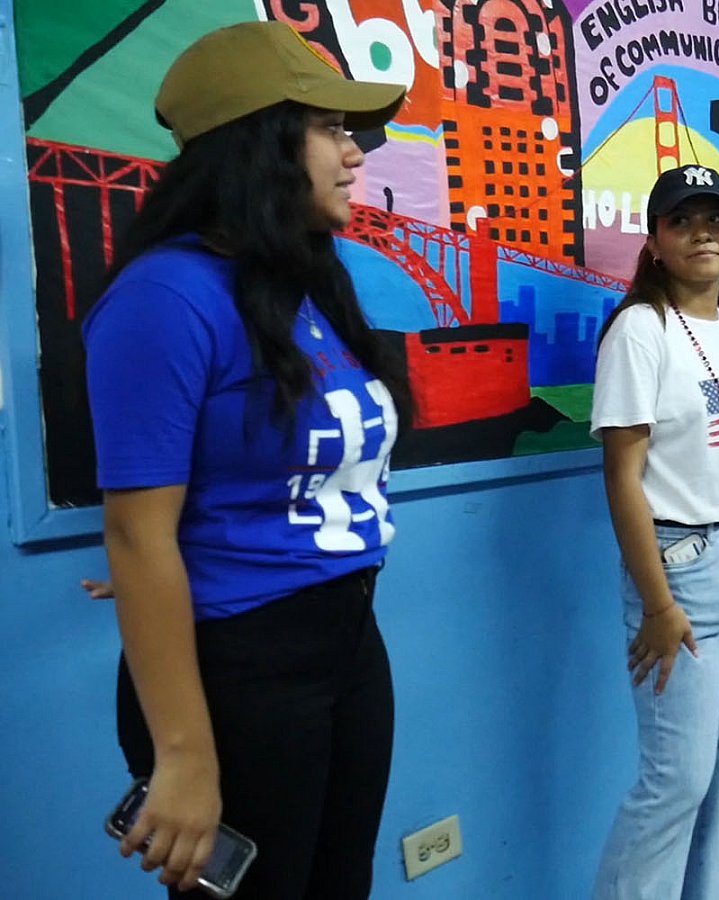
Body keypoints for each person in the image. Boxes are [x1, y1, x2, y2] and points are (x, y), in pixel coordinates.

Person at [83, 21, 411, 897]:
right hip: (243, 675)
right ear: (259, 145)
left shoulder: (303, 289)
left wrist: (201, 541)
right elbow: (136, 532)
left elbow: (262, 480)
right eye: (330, 129)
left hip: (349, 640)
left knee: (341, 883)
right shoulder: (165, 297)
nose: (354, 154)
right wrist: (185, 757)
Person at [589, 164, 719, 898]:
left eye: (716, 220)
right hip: (680, 568)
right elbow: (622, 478)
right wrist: (657, 604)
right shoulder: (639, 332)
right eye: (681, 221)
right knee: (677, 777)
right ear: (654, 242)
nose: (702, 234)